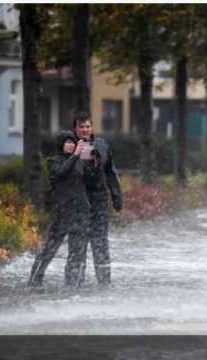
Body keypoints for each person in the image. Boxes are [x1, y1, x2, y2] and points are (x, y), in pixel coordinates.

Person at [28, 130, 91, 287]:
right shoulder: (53, 161)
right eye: (67, 142)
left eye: (72, 142)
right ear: (61, 144)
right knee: (50, 248)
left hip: (81, 212)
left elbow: (90, 179)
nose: (70, 145)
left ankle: (73, 284)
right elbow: (61, 173)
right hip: (63, 212)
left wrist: (92, 159)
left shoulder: (79, 162)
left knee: (77, 252)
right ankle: (35, 279)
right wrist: (76, 155)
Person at [72, 112, 123, 286]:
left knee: (100, 241)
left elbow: (111, 172)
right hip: (77, 202)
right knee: (78, 242)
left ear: (91, 127)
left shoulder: (102, 145)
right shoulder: (68, 145)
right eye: (81, 126)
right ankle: (74, 283)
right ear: (75, 128)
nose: (85, 129)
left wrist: (117, 196)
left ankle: (104, 282)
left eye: (87, 126)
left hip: (99, 200)